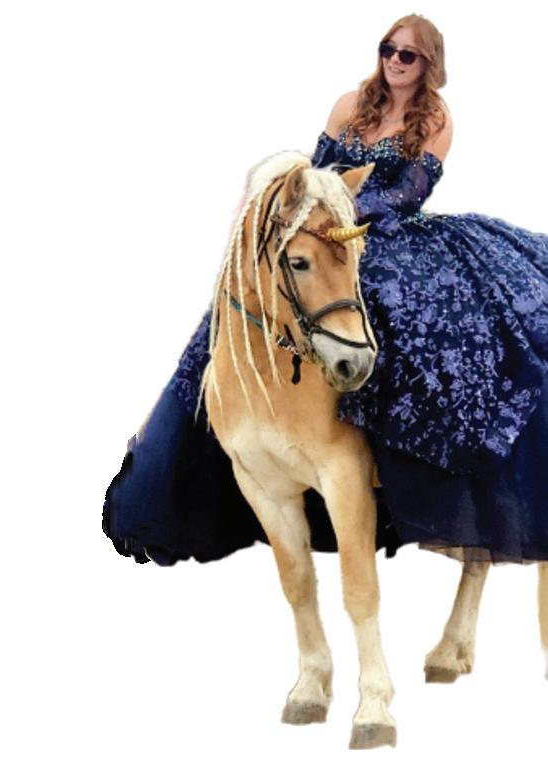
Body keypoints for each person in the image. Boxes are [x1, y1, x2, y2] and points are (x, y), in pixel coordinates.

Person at [102, 13, 548, 566]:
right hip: (320, 225)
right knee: (238, 303)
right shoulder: (350, 104)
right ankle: (189, 436)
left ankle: (382, 449)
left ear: (428, 64)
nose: (394, 61)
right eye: (388, 49)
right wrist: (308, 211)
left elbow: (408, 195)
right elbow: (317, 170)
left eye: (407, 54)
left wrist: (343, 211)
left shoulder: (436, 119)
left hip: (385, 232)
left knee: (397, 303)